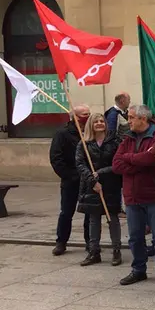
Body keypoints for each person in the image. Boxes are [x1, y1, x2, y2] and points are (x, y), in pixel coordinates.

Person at [112, 105, 155, 286]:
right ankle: (138, 270)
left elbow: (151, 159)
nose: (128, 121)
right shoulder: (127, 138)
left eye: (131, 117)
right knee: (135, 237)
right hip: (132, 197)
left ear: (142, 119)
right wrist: (136, 160)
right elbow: (116, 165)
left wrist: (128, 158)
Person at [75, 113, 122, 267]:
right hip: (91, 187)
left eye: (102, 121)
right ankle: (94, 252)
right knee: (94, 220)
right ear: (91, 125)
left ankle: (116, 250)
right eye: (96, 122)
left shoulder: (114, 142)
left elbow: (118, 163)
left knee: (112, 219)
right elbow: (80, 164)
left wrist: (101, 173)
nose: (100, 123)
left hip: (110, 185)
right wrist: (93, 181)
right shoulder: (84, 143)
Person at [50, 104, 91, 256]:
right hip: (71, 180)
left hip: (88, 179)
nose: (88, 117)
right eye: (84, 114)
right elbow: (56, 158)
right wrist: (72, 175)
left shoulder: (91, 132)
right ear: (75, 117)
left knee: (90, 212)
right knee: (66, 212)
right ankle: (61, 242)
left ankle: (90, 241)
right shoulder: (63, 134)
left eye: (89, 114)